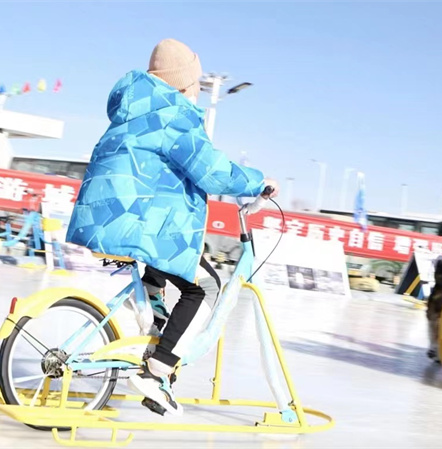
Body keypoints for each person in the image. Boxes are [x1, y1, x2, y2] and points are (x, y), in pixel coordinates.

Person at [66, 39, 279, 416]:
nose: (197, 92)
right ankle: (157, 370)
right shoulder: (172, 114)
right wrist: (258, 181)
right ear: (182, 84)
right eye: (196, 84)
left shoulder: (133, 111)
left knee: (162, 269)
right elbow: (212, 171)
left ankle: (149, 331)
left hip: (111, 219)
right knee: (207, 287)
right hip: (138, 225)